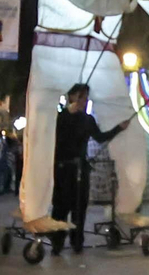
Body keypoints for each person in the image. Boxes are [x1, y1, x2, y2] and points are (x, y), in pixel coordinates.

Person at [50, 83, 129, 254]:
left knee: (79, 207)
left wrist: (118, 128)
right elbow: (56, 136)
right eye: (81, 97)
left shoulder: (87, 119)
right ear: (71, 97)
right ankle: (57, 241)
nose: (84, 101)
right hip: (64, 168)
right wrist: (68, 113)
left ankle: (77, 241)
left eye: (86, 97)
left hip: (81, 167)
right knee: (61, 206)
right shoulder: (60, 117)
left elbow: (100, 137)